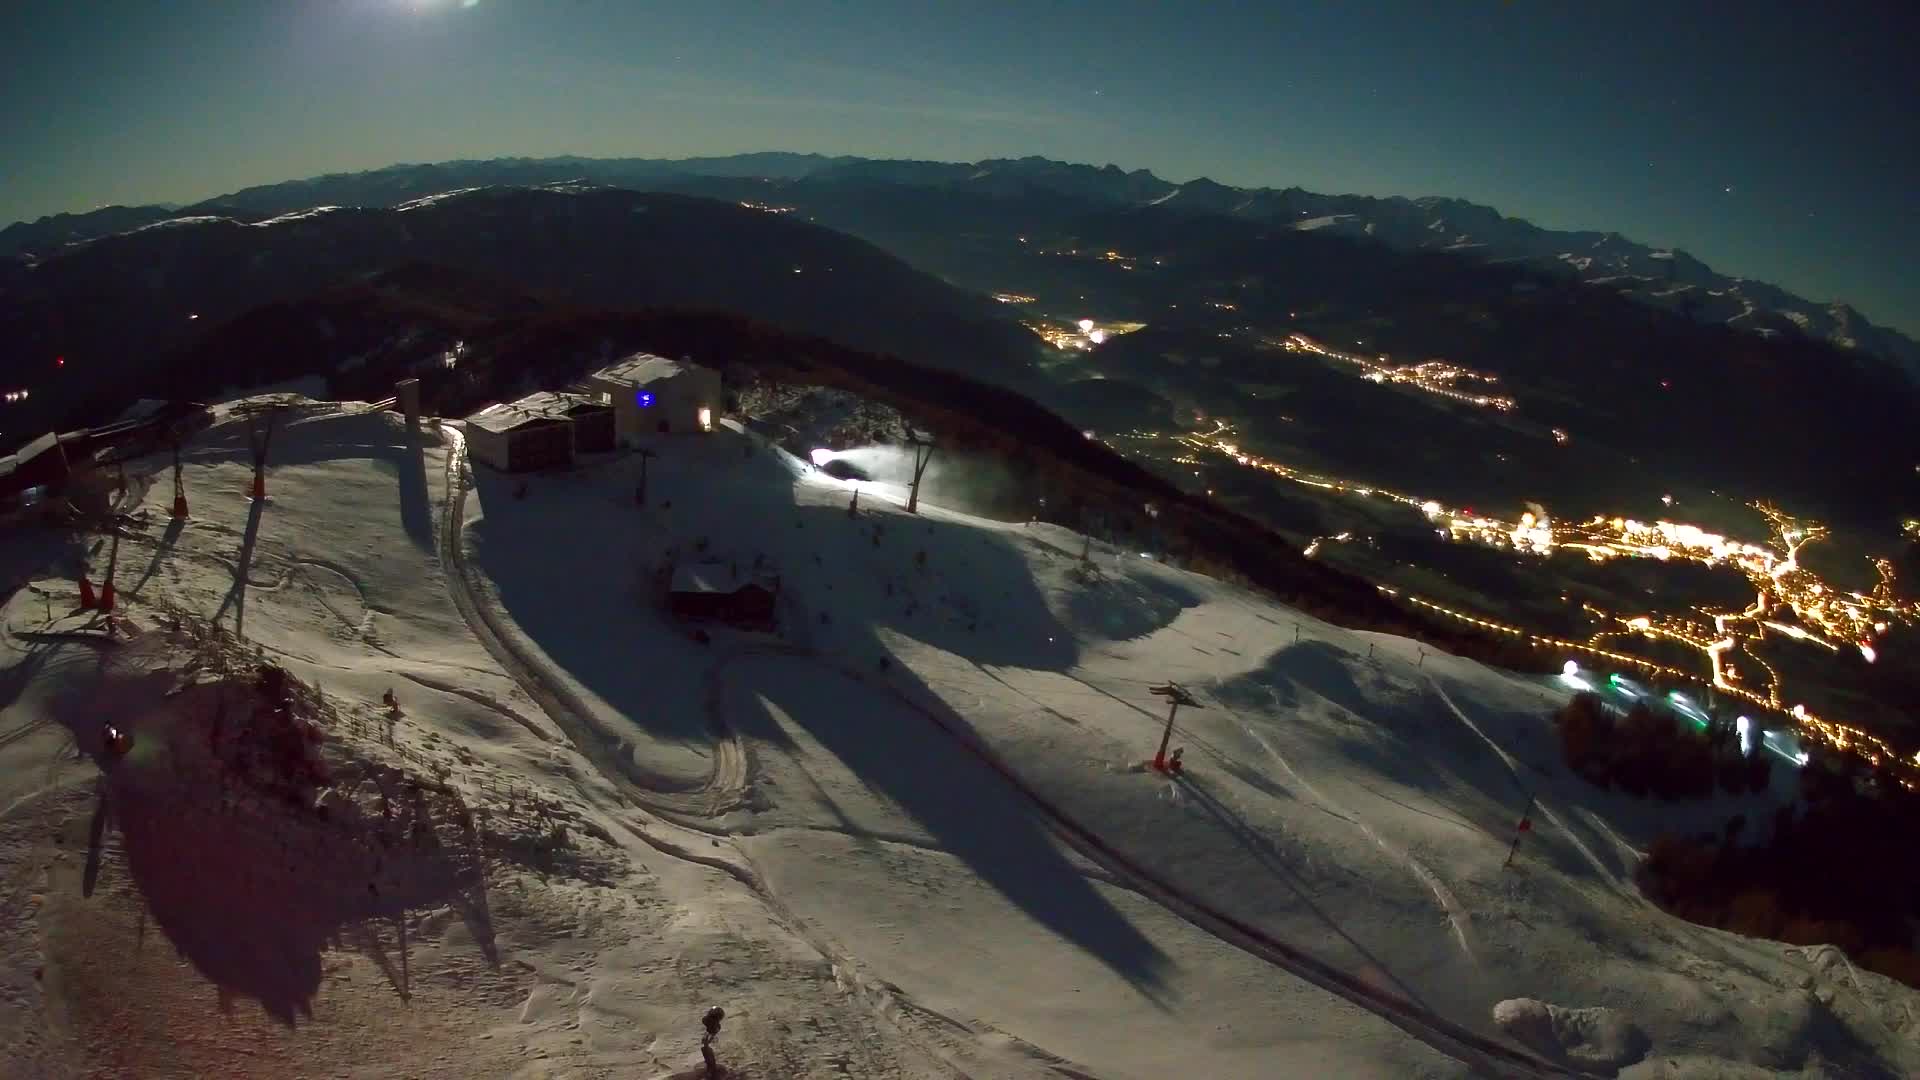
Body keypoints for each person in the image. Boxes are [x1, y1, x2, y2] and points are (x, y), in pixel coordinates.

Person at [701, 1006, 725, 1077]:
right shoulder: (707, 1021)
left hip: (709, 1040)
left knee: (707, 1049)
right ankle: (711, 1069)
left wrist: (709, 1039)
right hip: (708, 1039)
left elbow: (713, 1031)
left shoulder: (715, 1026)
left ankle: (711, 1069)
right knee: (706, 1049)